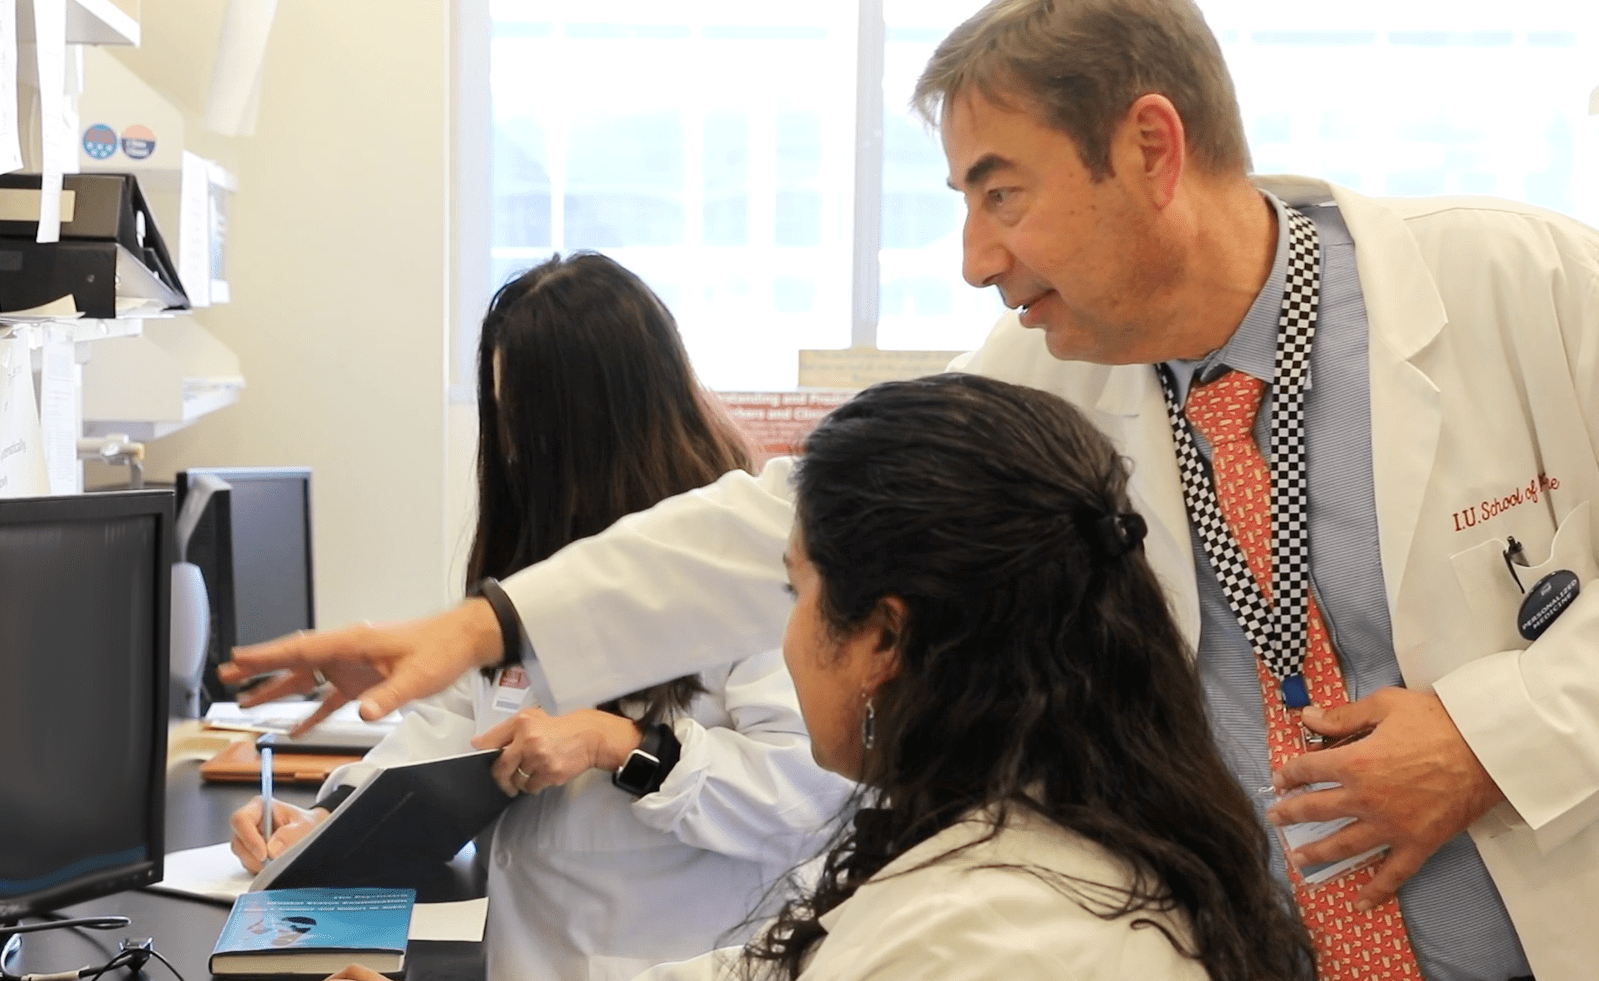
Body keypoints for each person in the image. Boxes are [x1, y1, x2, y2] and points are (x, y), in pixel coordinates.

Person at [225, 2, 1599, 979]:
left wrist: (1496, 732)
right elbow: (806, 510)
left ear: (1148, 149)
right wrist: (480, 628)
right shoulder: (1055, 359)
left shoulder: (1516, 284)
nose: (972, 258)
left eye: (996, 194)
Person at [336, 372, 1315, 981]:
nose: (786, 632)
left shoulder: (995, 934)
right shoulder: (1041, 842)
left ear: (882, 639)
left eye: (794, 592)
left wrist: (625, 748)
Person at [227, 252, 852, 981]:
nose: (517, 450)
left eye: (532, 420)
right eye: (505, 417)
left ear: (609, 417)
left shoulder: (746, 569)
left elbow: (809, 790)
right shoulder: (540, 564)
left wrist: (624, 746)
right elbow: (447, 729)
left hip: (681, 959)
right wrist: (327, 829)